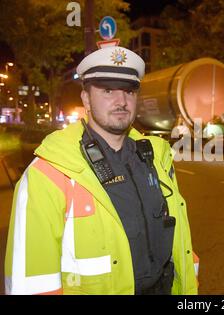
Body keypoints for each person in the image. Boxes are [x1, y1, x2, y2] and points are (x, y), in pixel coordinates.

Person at [4, 46, 199, 295]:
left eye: (128, 91)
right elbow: (30, 283)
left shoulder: (156, 159)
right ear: (86, 98)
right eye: (108, 90)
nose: (121, 101)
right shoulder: (50, 172)